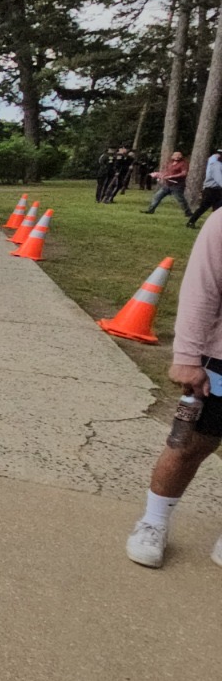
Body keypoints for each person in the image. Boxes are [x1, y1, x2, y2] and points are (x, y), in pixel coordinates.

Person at [126, 211, 222, 569]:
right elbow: (202, 290)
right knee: (189, 445)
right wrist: (186, 356)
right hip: (219, 360)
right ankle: (154, 522)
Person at [187, 149, 222, 229]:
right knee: (203, 207)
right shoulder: (215, 165)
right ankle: (191, 222)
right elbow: (219, 179)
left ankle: (215, 226)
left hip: (217, 190)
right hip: (210, 190)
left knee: (218, 209)